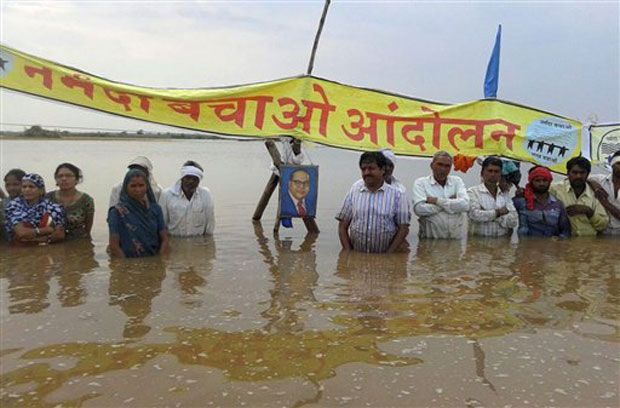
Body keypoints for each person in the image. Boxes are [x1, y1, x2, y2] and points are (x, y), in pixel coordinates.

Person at [336, 151, 410, 253]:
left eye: (371, 168)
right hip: (357, 257)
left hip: (385, 258)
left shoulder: (398, 194)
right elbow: (342, 225)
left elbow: (403, 229)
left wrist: (388, 256)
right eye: (363, 169)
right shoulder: (355, 189)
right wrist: (348, 254)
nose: (366, 173)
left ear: (382, 170)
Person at [107, 169, 169, 258]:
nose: (138, 189)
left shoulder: (156, 209)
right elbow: (114, 246)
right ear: (126, 187)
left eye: (141, 185)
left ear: (147, 186)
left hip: (153, 260)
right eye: (133, 186)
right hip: (128, 263)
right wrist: (126, 267)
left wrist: (160, 264)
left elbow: (164, 239)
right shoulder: (117, 212)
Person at [412, 151, 470, 239]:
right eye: (440, 164)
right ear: (432, 165)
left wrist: (437, 201)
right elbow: (419, 209)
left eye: (447, 166)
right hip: (430, 241)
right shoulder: (421, 183)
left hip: (455, 242)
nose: (443, 169)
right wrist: (450, 203)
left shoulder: (457, 181)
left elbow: (465, 205)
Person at [550, 157, 609, 236]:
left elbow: (602, 226)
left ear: (588, 174)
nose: (578, 176)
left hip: (590, 243)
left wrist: (589, 212)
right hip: (562, 243)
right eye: (574, 172)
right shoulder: (555, 189)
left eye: (582, 173)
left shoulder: (595, 193)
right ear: (568, 173)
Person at [5, 173, 66, 245]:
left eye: (31, 187)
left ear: (41, 190)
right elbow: (21, 233)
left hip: (48, 249)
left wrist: (36, 239)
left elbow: (59, 235)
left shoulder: (53, 208)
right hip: (18, 250)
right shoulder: (14, 205)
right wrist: (46, 230)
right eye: (24, 187)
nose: (27, 190)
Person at [158, 160, 215, 236]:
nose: (191, 182)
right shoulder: (166, 195)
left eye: (195, 179)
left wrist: (206, 245)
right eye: (188, 178)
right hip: (175, 241)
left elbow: (210, 225)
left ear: (199, 181)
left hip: (198, 242)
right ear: (182, 178)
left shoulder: (205, 194)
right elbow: (162, 224)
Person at [513, 166, 571, 238]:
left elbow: (565, 231)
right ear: (531, 182)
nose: (541, 183)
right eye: (537, 181)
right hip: (527, 247)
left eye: (545, 180)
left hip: (551, 247)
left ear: (549, 182)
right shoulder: (521, 202)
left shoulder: (558, 205)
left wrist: (559, 242)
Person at [467, 157, 518, 237]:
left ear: (500, 175)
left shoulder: (505, 195)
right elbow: (474, 215)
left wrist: (490, 215)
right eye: (490, 171)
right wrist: (499, 213)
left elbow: (513, 221)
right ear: (482, 173)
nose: (493, 174)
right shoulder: (472, 192)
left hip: (501, 245)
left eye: (496, 171)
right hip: (479, 244)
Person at [46, 163, 95, 239]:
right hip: (53, 239)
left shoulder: (86, 200)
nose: (64, 179)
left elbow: (88, 229)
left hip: (78, 240)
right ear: (56, 179)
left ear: (77, 179)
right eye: (60, 176)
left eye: (68, 176)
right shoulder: (49, 197)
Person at [588, 150, 620, 235]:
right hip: (601, 232)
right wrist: (594, 185)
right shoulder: (599, 180)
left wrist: (605, 203)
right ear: (612, 165)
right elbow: (581, 178)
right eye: (619, 164)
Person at [1, 169, 26, 241]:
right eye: (8, 185)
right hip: (9, 244)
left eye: (16, 184)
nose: (11, 188)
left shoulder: (32, 201)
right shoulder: (3, 204)